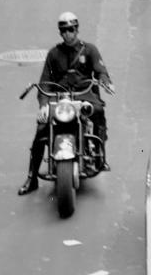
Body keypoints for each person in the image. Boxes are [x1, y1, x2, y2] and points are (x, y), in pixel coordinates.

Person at [17, 11, 114, 195]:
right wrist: (44, 105)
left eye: (71, 29)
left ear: (77, 29)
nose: (68, 33)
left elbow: (101, 70)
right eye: (64, 30)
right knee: (41, 129)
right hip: (60, 97)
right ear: (60, 32)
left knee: (98, 111)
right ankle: (32, 178)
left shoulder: (89, 50)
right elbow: (45, 81)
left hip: (84, 94)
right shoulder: (54, 53)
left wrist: (105, 82)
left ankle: (100, 155)